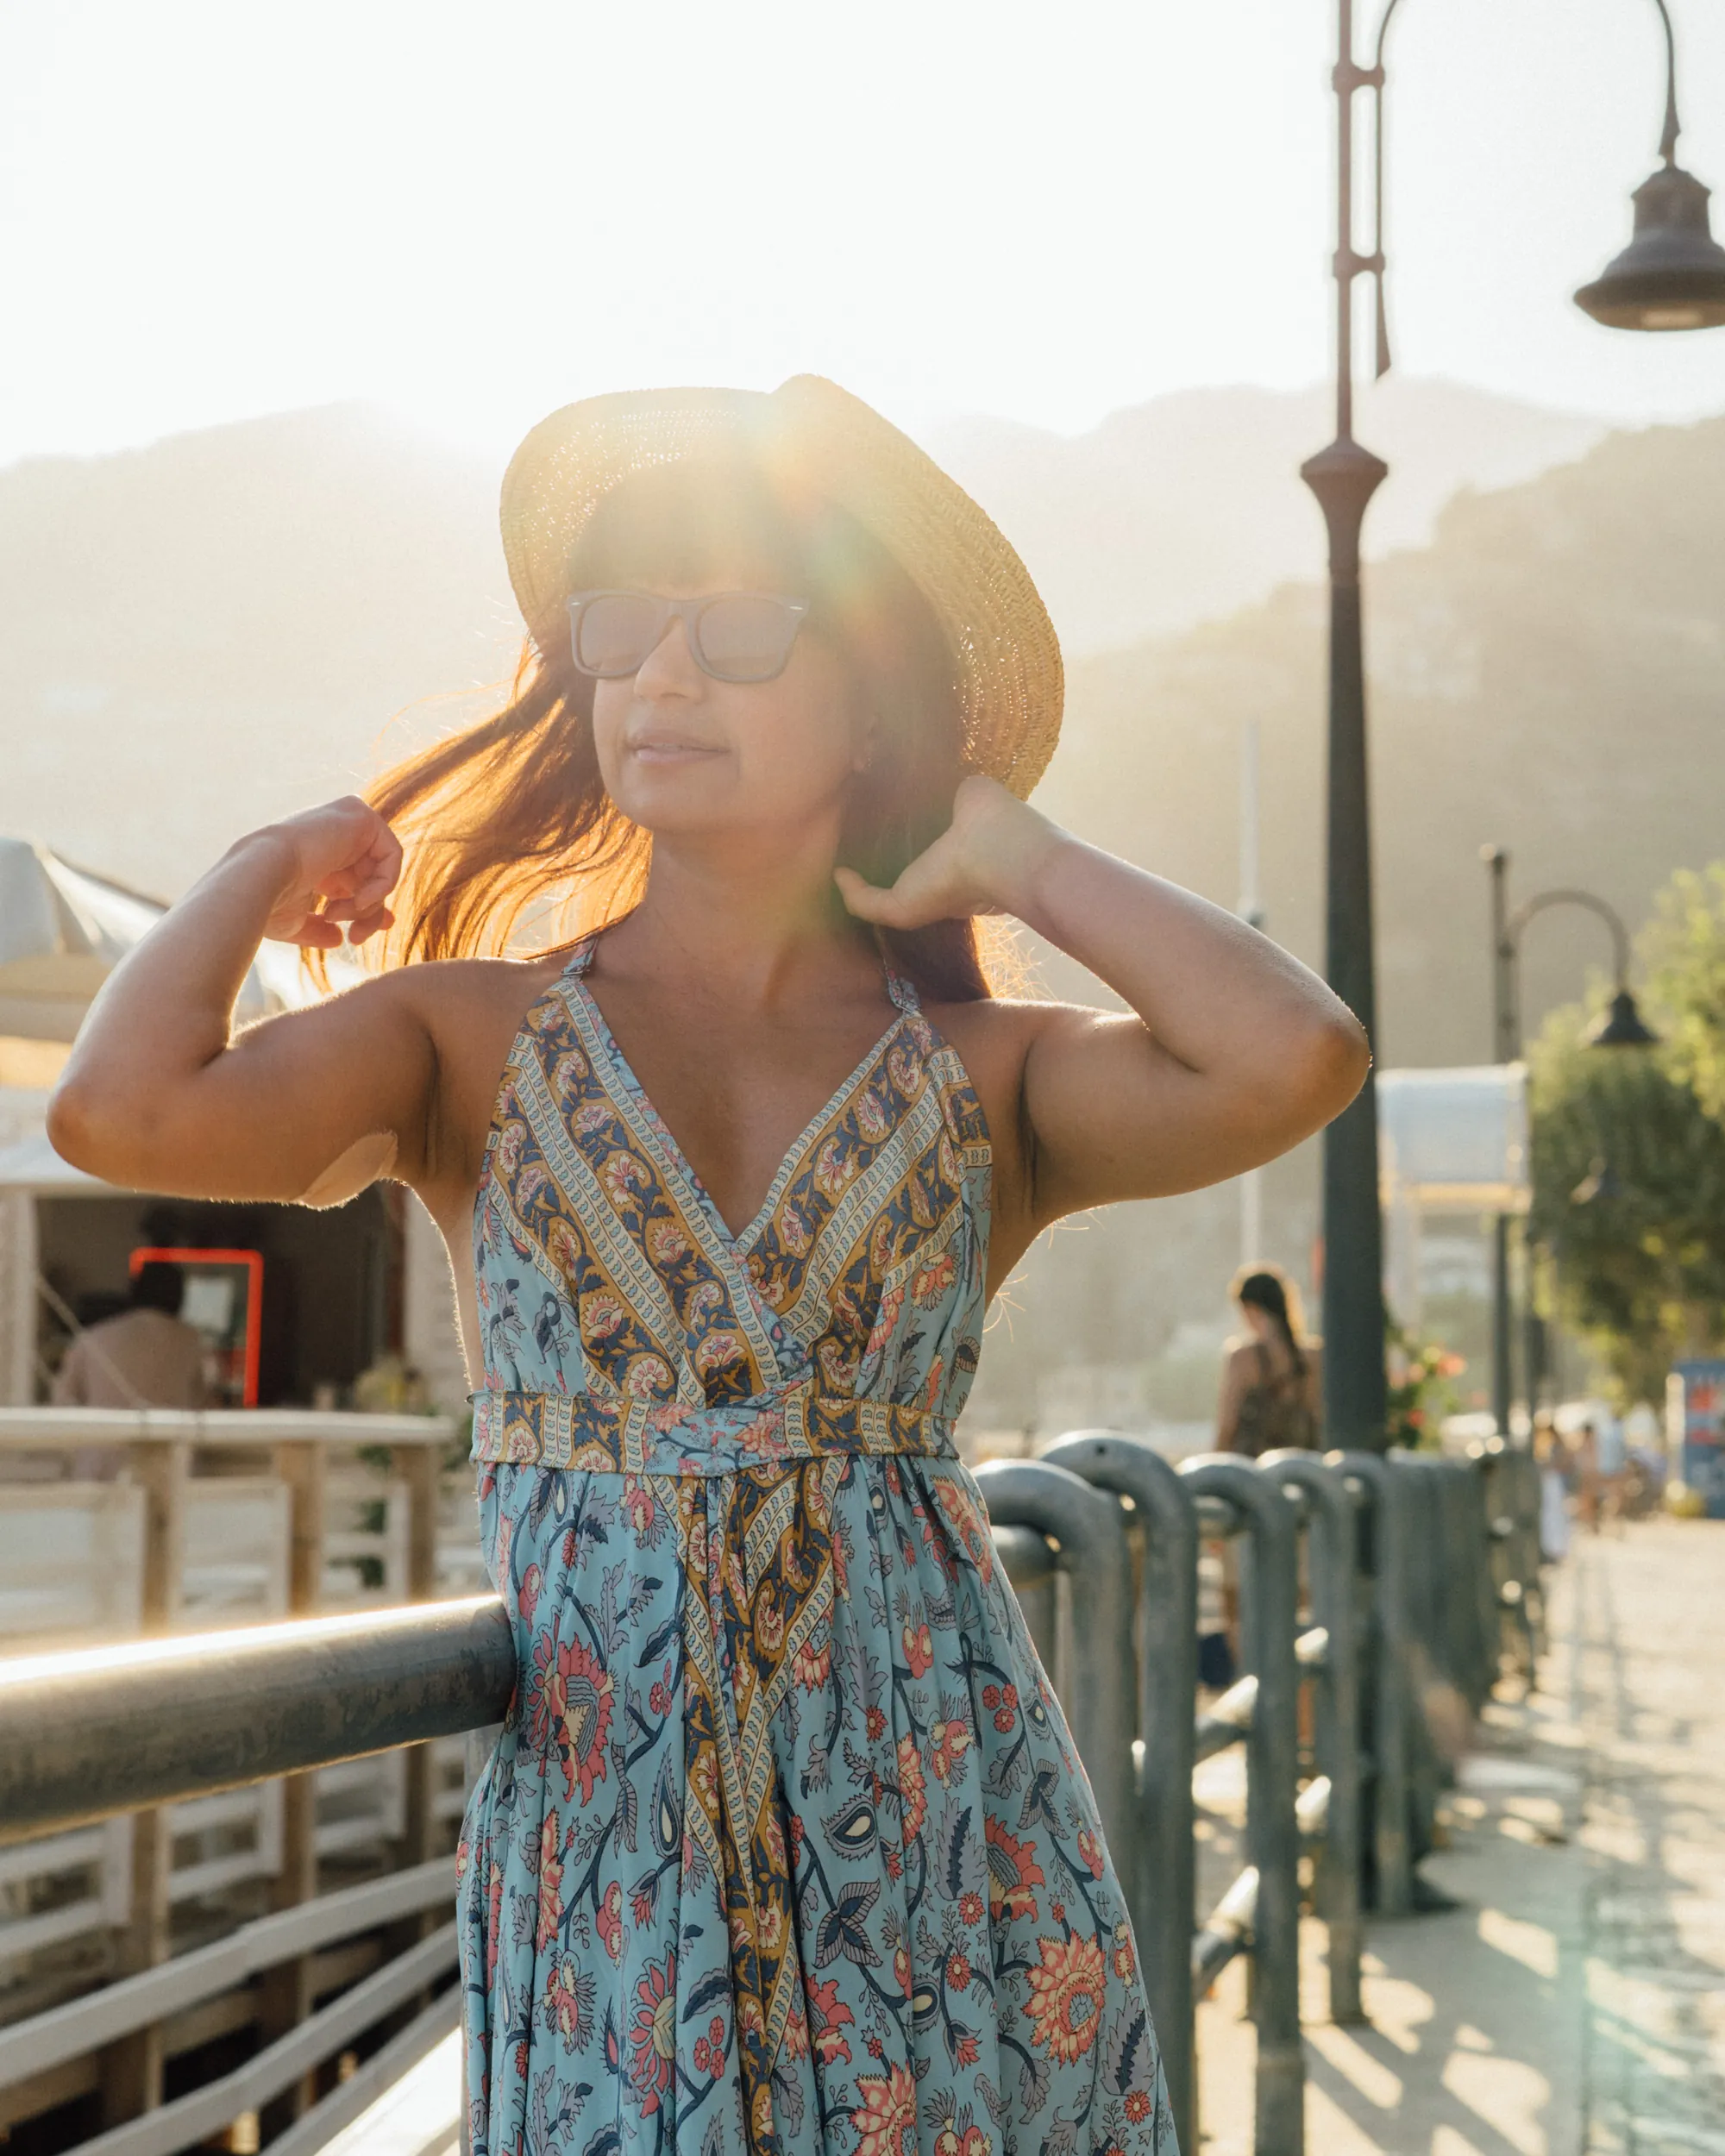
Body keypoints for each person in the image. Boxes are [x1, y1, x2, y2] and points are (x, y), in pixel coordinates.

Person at [48, 378, 1368, 2156]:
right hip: (614, 1856)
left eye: (737, 627)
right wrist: (259, 865)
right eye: (622, 628)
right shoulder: (462, 1037)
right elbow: (121, 1110)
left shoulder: (986, 1080)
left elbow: (1295, 1055)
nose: (659, 676)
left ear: (874, 706)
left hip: (936, 1828)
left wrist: (1026, 856)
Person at [51, 1259, 207, 1412]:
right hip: (172, 1436)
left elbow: (62, 1401)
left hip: (104, 1435)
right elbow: (203, 1403)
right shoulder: (192, 1340)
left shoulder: (92, 1338)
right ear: (180, 1298)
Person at [1214, 1264, 1320, 1456]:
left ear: (1250, 1309)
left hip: (1252, 1474)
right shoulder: (1315, 1357)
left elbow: (1227, 1427)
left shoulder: (1242, 1359)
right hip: (1305, 1470)